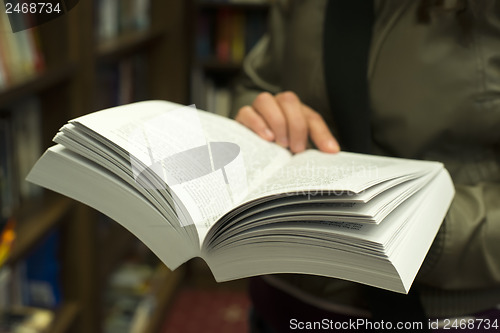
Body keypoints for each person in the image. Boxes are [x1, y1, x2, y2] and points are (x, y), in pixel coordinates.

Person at [230, 0, 500, 331]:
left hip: (443, 312)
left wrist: (424, 229)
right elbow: (256, 86)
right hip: (283, 295)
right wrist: (264, 119)